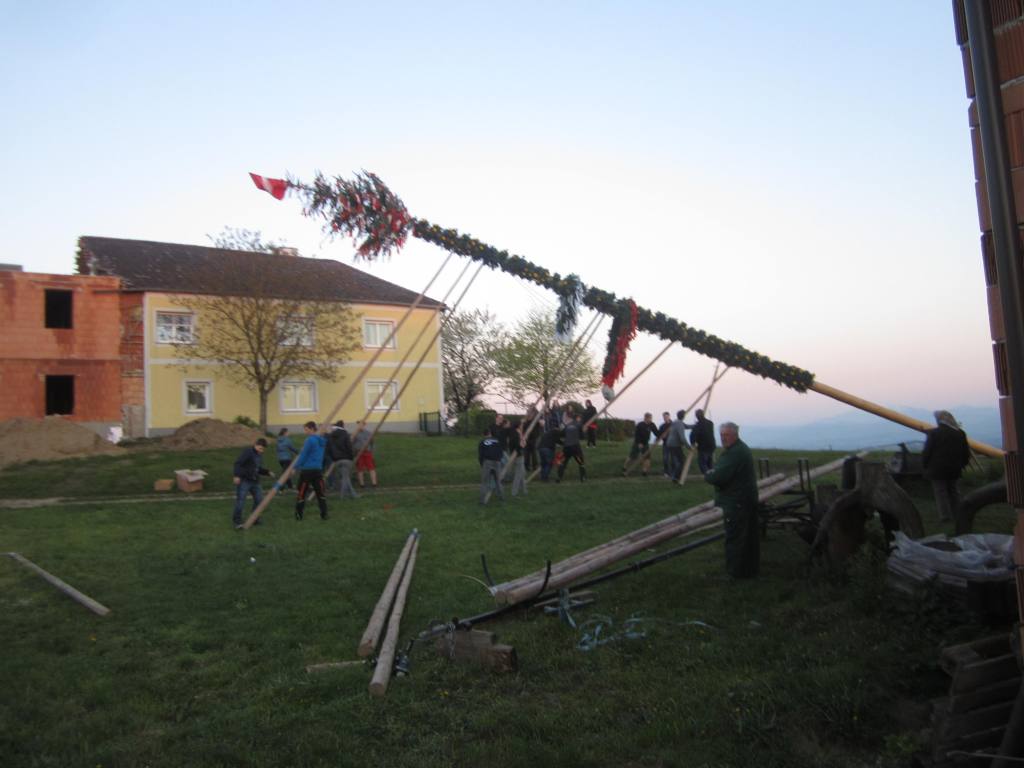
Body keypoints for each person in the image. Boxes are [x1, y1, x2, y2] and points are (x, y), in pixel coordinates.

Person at [704, 421, 759, 578]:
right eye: (721, 435)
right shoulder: (739, 449)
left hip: (736, 502)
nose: (723, 438)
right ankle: (748, 571)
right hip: (744, 499)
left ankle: (735, 573)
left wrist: (709, 474)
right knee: (747, 538)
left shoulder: (734, 453)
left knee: (735, 539)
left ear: (735, 435)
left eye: (727, 435)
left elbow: (718, 477)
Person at [922, 409, 971, 523]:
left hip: (937, 468)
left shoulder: (934, 433)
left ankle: (945, 516)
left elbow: (927, 451)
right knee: (954, 491)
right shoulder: (960, 433)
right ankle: (958, 513)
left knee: (941, 492)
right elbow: (966, 452)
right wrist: (962, 464)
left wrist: (925, 465)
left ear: (939, 419)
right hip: (955, 468)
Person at [232, 437, 273, 529]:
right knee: (241, 501)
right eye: (260, 448)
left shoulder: (259, 455)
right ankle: (237, 522)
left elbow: (257, 469)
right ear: (256, 445)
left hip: (255, 481)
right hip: (244, 481)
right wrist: (236, 476)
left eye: (263, 449)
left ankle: (254, 518)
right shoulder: (248, 452)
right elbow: (238, 463)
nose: (262, 451)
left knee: (259, 500)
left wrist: (267, 472)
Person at [293, 421, 329, 521]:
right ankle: (324, 514)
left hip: (307, 470)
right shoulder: (322, 441)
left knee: (302, 493)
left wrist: (295, 467)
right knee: (320, 493)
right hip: (317, 469)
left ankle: (298, 515)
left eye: (306, 429)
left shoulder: (310, 440)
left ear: (312, 429)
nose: (305, 432)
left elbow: (303, 455)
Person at [327, 420, 358, 500]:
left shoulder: (330, 436)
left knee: (345, 477)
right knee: (345, 478)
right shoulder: (345, 434)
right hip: (346, 459)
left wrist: (333, 458)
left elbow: (328, 449)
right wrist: (351, 457)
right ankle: (343, 496)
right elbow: (349, 447)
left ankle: (353, 494)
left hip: (337, 460)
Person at [623, 412, 658, 477]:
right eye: (650, 418)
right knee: (632, 457)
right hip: (637, 443)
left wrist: (660, 436)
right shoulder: (640, 425)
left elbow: (656, 432)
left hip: (645, 443)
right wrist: (639, 443)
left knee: (647, 458)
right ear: (645, 418)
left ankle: (644, 472)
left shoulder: (652, 425)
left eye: (651, 418)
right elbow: (636, 435)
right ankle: (624, 467)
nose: (651, 419)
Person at [557, 413, 587, 483]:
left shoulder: (567, 425)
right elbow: (582, 437)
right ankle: (583, 478)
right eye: (580, 418)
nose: (580, 419)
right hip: (575, 447)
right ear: (577, 418)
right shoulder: (579, 425)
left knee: (563, 463)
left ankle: (559, 478)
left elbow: (561, 434)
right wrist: (584, 431)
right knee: (581, 462)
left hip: (567, 447)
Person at [478, 427, 505, 504]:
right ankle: (502, 497)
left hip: (487, 462)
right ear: (490, 433)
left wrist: (482, 464)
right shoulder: (497, 441)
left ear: (483, 434)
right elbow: (501, 451)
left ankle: (482, 500)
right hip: (497, 461)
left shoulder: (482, 442)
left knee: (485, 482)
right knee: (498, 481)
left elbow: (481, 455)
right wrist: (499, 459)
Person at [664, 409, 691, 482]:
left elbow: (687, 426)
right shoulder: (679, 423)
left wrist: (696, 425)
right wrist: (688, 447)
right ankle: (675, 477)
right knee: (682, 461)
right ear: (684, 416)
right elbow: (682, 438)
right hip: (674, 445)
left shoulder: (676, 422)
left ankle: (676, 476)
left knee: (678, 460)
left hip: (670, 444)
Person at [690, 409, 717, 474]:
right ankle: (712, 475)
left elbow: (692, 436)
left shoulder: (697, 425)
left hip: (703, 447)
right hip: (712, 445)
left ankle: (708, 475)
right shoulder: (710, 423)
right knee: (710, 463)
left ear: (696, 416)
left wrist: (693, 443)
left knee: (702, 463)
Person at [353, 420, 378, 489]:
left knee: (371, 468)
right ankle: (362, 485)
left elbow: (372, 443)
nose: (359, 426)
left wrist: (371, 451)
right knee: (360, 469)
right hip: (359, 453)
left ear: (364, 425)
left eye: (361, 425)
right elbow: (352, 443)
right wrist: (354, 452)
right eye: (358, 425)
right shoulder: (355, 434)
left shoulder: (368, 433)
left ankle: (374, 484)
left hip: (367, 453)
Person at [510, 421, 528, 497]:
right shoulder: (516, 434)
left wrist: (523, 441)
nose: (522, 426)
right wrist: (522, 445)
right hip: (518, 456)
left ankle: (524, 490)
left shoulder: (517, 433)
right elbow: (518, 446)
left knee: (522, 474)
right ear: (519, 426)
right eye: (521, 425)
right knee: (518, 475)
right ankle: (514, 493)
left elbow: (522, 443)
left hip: (518, 455)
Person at [657, 411, 673, 478]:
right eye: (664, 417)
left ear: (669, 417)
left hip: (673, 444)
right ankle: (666, 472)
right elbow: (659, 435)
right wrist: (660, 438)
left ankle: (673, 472)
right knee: (665, 459)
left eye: (666, 417)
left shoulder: (673, 424)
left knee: (674, 459)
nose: (665, 418)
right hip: (665, 444)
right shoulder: (662, 426)